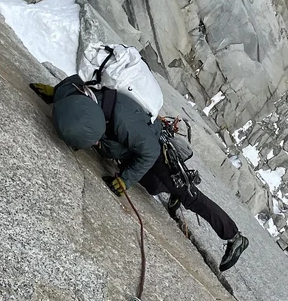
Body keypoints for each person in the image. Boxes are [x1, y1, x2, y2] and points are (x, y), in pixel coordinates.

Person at [32, 76, 249, 271]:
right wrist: (56, 95)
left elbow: (150, 151)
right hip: (135, 148)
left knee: (190, 197)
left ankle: (234, 236)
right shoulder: (83, 99)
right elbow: (70, 89)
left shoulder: (124, 122)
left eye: (96, 140)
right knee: (152, 186)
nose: (96, 144)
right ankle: (173, 190)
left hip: (155, 151)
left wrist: (125, 180)